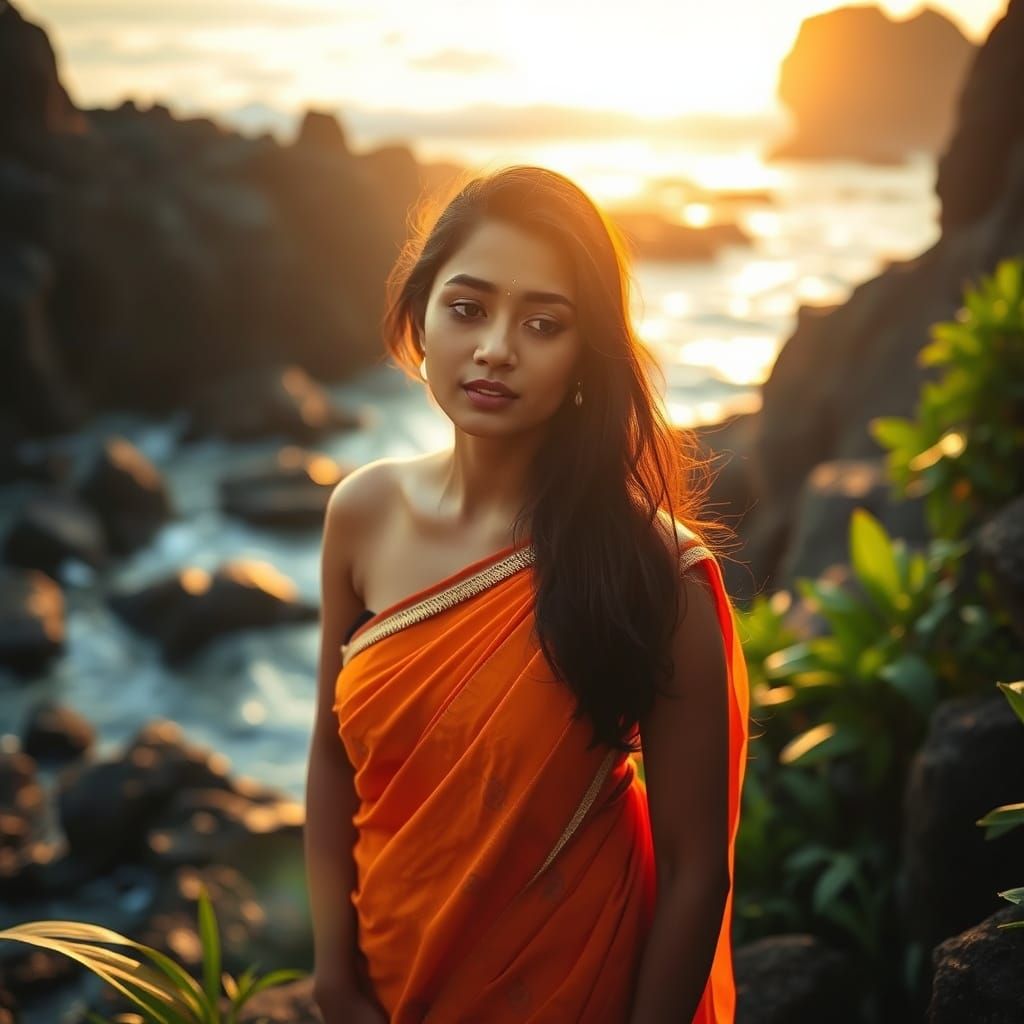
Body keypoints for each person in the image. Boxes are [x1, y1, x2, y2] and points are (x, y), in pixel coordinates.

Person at [304, 165, 750, 1023]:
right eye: (467, 308)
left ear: (586, 353)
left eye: (543, 324)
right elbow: (331, 759)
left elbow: (700, 871)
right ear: (419, 317)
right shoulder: (361, 513)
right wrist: (334, 975)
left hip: (573, 987)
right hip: (388, 983)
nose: (496, 348)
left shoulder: (657, 575)